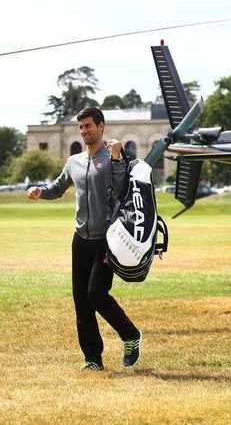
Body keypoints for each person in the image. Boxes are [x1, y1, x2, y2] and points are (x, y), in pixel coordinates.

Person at [27, 107, 142, 371]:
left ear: (101, 127)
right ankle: (93, 359)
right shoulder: (74, 162)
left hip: (107, 238)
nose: (84, 131)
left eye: (88, 126)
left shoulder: (113, 157)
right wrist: (39, 192)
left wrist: (115, 158)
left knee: (97, 294)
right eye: (81, 127)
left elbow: (123, 188)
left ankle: (131, 335)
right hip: (80, 239)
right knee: (81, 301)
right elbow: (57, 188)